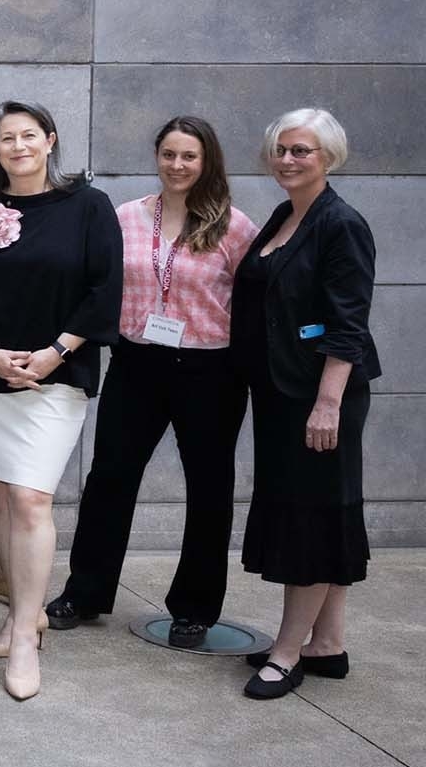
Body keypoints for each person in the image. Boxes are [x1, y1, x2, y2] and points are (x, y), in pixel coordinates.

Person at [47, 117, 258, 648]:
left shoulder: (234, 227)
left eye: (189, 156)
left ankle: (195, 608)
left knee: (209, 488)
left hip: (210, 370)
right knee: (109, 478)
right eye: (169, 154)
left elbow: (255, 303)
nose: (178, 165)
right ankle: (86, 591)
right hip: (138, 361)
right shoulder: (126, 218)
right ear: (156, 156)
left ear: (206, 160)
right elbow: (99, 284)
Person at [0, 100, 120, 701]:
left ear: (49, 141)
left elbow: (105, 291)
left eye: (29, 135)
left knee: (28, 499)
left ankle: (25, 635)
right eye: (6, 138)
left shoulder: (88, 207)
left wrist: (54, 353)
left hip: (55, 376)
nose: (18, 146)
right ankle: (23, 618)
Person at [232, 109, 378, 700]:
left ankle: (289, 651)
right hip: (282, 392)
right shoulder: (287, 216)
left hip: (320, 396)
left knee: (310, 520)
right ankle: (327, 644)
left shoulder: (340, 224)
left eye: (302, 151)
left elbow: (348, 322)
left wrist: (327, 403)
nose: (288, 160)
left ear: (328, 157)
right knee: (319, 512)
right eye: (281, 150)